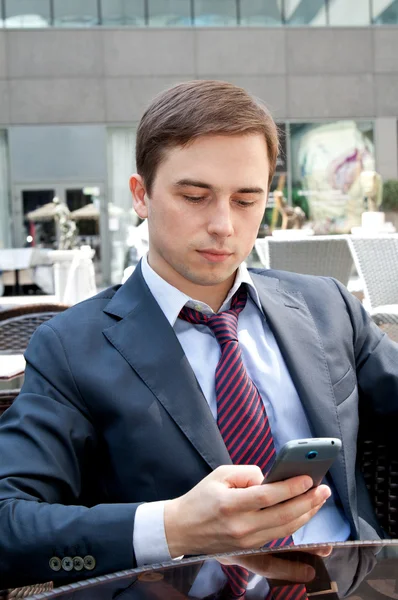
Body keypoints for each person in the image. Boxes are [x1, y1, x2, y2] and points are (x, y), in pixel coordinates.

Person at [0, 80, 397, 593]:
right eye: (194, 196)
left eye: (246, 200)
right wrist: (174, 526)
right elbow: (10, 527)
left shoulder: (327, 306)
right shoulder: (72, 347)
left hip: (348, 584)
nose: (223, 226)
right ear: (141, 195)